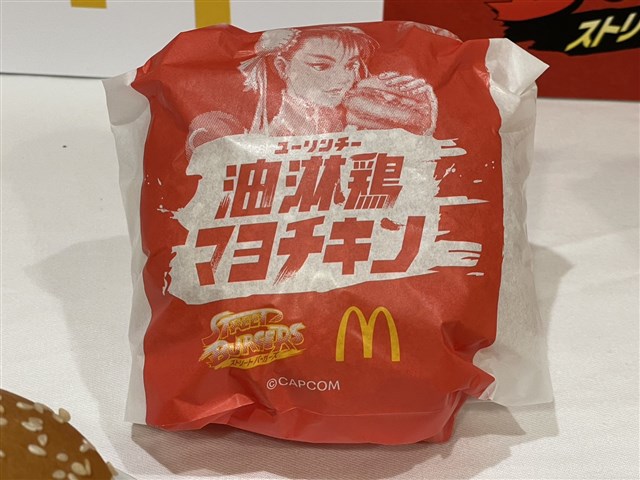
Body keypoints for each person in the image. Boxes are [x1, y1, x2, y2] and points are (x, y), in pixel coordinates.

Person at [187, 26, 437, 157]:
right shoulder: (239, 130)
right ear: (282, 67)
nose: (343, 79)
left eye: (351, 65)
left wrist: (422, 134)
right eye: (321, 66)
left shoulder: (366, 123)